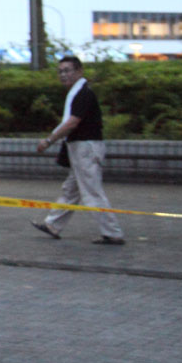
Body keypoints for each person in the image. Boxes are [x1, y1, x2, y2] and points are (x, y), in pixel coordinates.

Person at [31, 56, 125, 245]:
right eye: (61, 71)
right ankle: (53, 224)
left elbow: (72, 122)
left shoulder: (83, 93)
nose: (63, 75)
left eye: (68, 70)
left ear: (79, 71)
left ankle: (112, 232)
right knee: (71, 190)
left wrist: (49, 140)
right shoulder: (78, 92)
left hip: (85, 148)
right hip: (80, 148)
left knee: (92, 192)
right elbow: (70, 122)